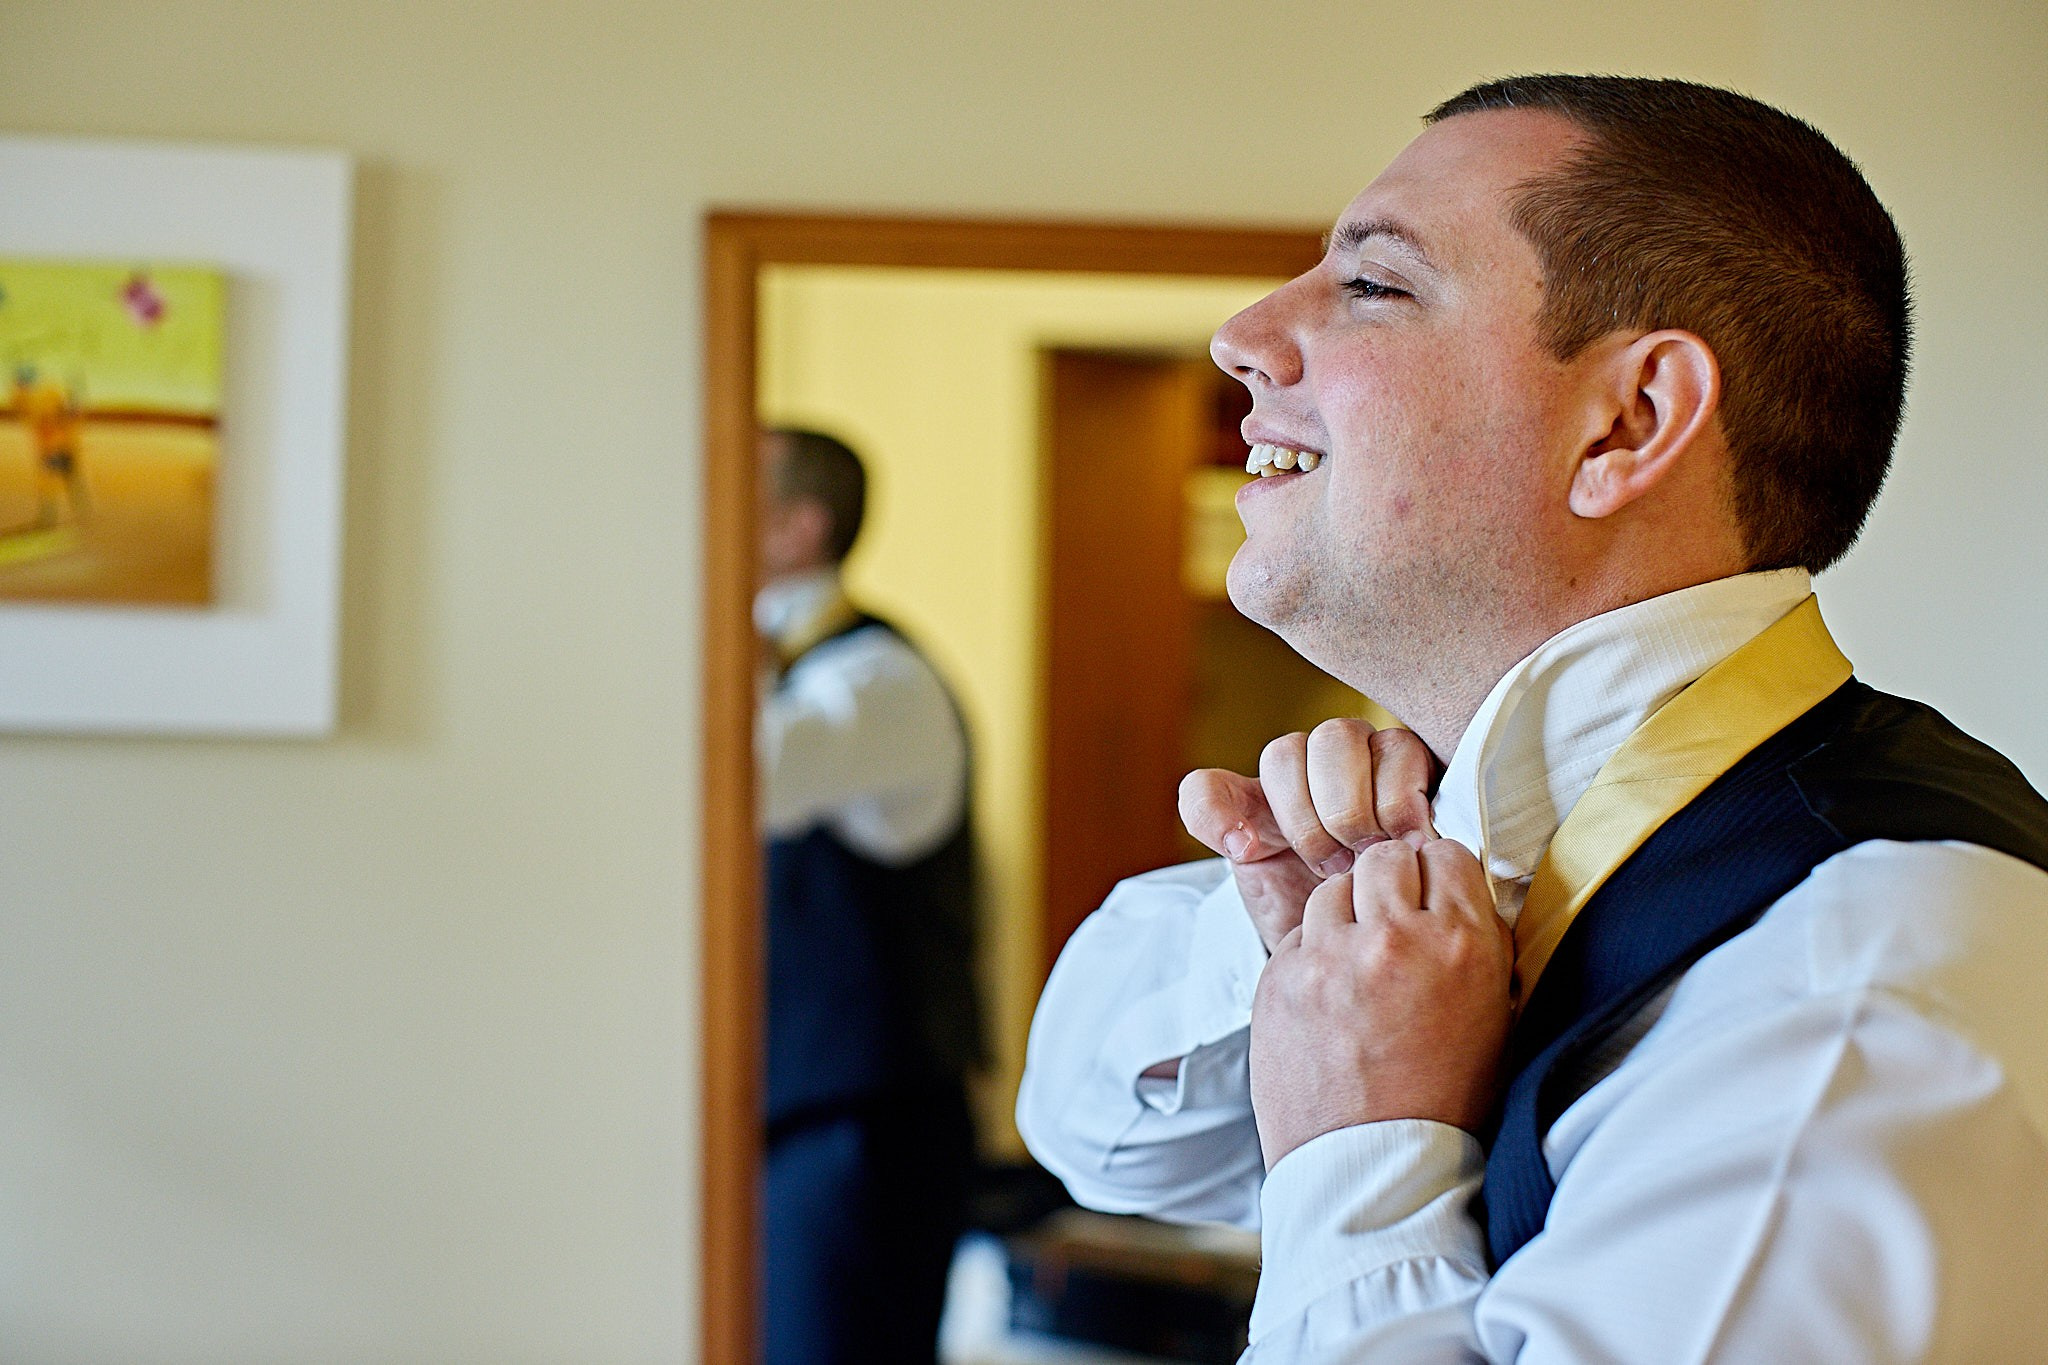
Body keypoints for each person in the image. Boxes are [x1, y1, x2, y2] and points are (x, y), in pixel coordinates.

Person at [1017, 75, 2048, 1362]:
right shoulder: (1496, 828)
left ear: (1628, 420)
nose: (1243, 333)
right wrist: (1295, 951)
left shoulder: (1861, 982)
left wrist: (1364, 1149)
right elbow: (1104, 1144)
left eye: (1372, 286)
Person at [755, 427, 985, 1365]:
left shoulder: (882, 682)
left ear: (798, 528)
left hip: (860, 1132)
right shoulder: (793, 667)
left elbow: (742, 776)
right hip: (782, 1114)